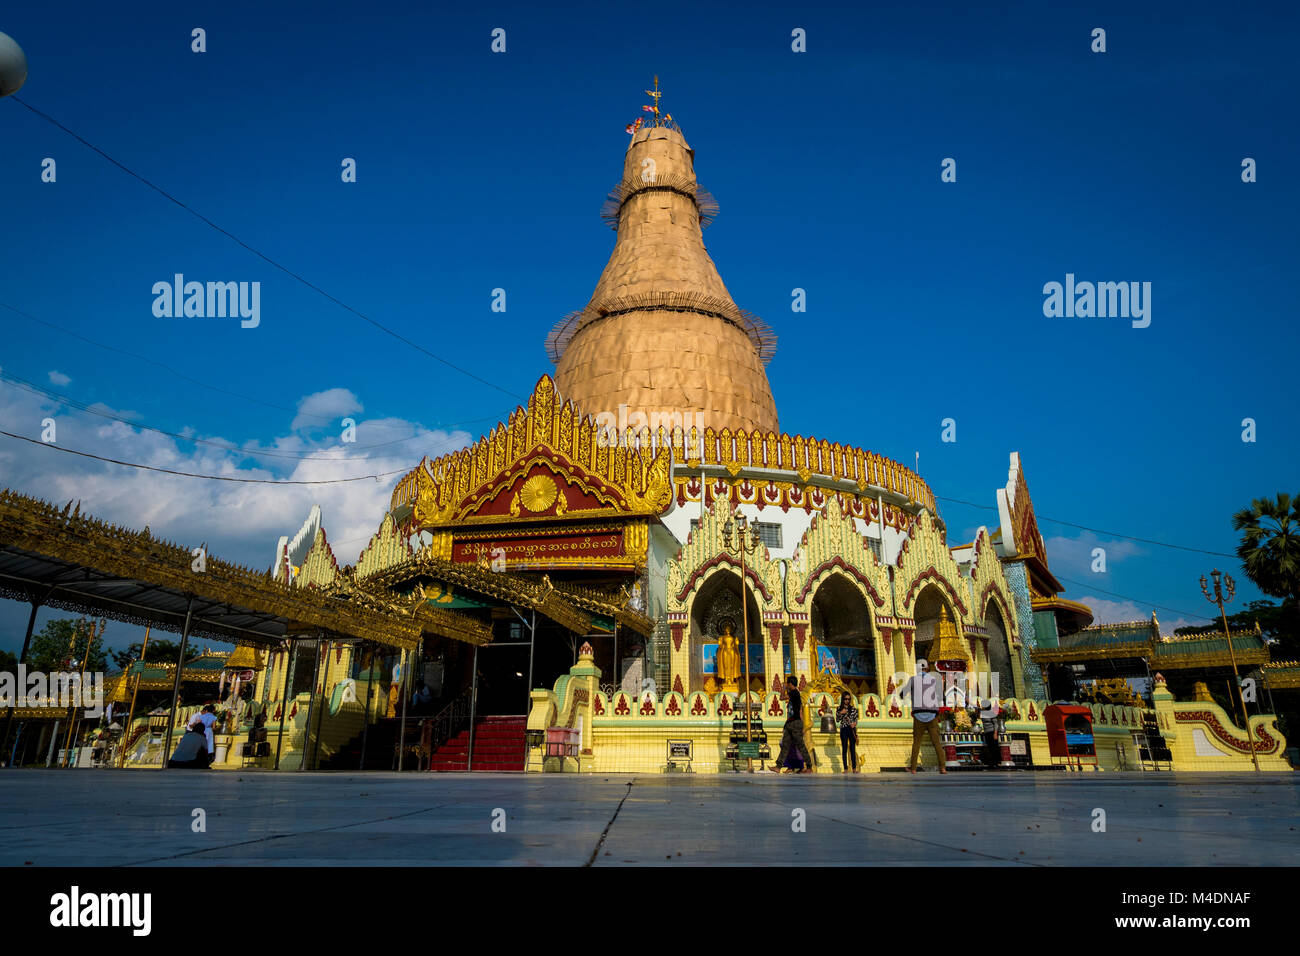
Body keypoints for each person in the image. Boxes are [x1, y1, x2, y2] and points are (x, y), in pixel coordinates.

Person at [902, 661, 947, 774]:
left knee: (916, 742)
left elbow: (903, 694)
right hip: (932, 715)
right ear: (927, 669)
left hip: (918, 714)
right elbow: (941, 695)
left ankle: (913, 768)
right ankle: (942, 767)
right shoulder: (934, 680)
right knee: (936, 742)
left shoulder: (913, 679)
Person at [772, 676, 813, 773]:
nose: (787, 685)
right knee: (785, 745)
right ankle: (778, 766)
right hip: (791, 723)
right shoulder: (794, 695)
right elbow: (798, 710)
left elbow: (781, 698)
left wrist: (783, 688)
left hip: (795, 724)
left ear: (790, 684)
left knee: (800, 745)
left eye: (787, 683)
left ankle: (809, 766)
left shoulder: (794, 693)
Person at [187, 704, 217, 768]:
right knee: (209, 744)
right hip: (209, 731)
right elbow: (214, 727)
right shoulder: (213, 717)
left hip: (202, 730)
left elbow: (198, 723)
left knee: (201, 744)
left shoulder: (202, 716)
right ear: (213, 711)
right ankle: (207, 758)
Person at [836, 691, 859, 773]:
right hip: (844, 729)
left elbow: (856, 720)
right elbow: (837, 720)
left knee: (852, 749)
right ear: (843, 699)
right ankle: (845, 768)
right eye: (845, 699)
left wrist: (854, 724)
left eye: (849, 699)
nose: (847, 701)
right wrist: (841, 713)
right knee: (844, 748)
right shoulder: (839, 708)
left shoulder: (853, 709)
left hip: (851, 729)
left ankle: (854, 768)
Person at [979, 697, 1001, 768]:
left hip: (992, 732)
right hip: (986, 732)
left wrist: (995, 733)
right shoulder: (983, 714)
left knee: (995, 747)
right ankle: (992, 762)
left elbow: (996, 724)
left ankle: (997, 762)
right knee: (990, 747)